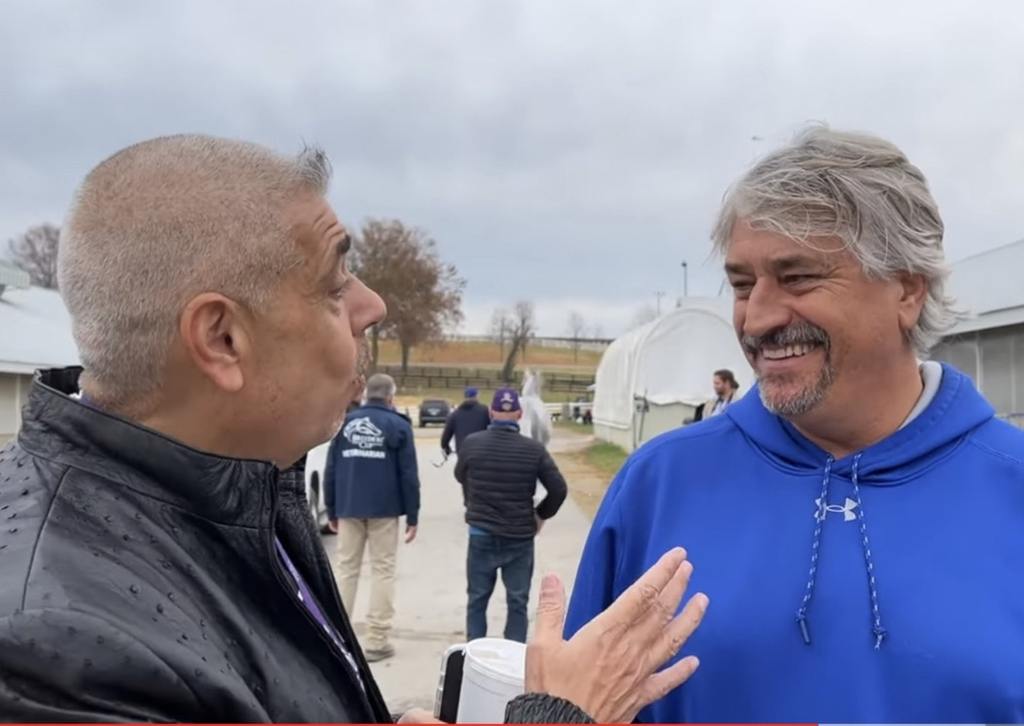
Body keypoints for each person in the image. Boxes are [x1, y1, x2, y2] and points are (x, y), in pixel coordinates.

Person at [0, 134, 709, 723]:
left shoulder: (238, 482)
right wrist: (562, 714)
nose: (372, 305)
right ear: (221, 340)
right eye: (335, 286)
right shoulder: (53, 659)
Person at [566, 126, 1024, 723]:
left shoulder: (1011, 488)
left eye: (798, 277)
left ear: (907, 290)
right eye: (741, 284)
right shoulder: (659, 485)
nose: (757, 319)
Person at [455, 387, 567, 643]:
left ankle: (474, 651)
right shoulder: (534, 450)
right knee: (517, 600)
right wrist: (540, 515)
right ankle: (513, 658)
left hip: (481, 532)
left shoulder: (472, 443)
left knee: (477, 599)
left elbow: (460, 475)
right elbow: (558, 489)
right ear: (518, 414)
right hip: (519, 536)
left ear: (492, 413)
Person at [324, 372, 418, 663]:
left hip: (349, 506)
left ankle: (335, 635)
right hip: (384, 509)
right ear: (390, 397)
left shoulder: (344, 423)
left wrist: (332, 508)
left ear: (365, 394)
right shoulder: (398, 426)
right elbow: (408, 475)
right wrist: (412, 515)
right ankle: (376, 640)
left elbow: (331, 469)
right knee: (383, 570)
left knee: (346, 570)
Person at [440, 386, 490, 458]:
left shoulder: (455, 414)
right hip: (482, 451)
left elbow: (445, 437)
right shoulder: (485, 411)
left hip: (463, 452)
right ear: (477, 395)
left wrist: (446, 448)